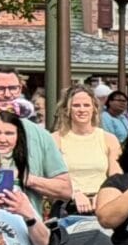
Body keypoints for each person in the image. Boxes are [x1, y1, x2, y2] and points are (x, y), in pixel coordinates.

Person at [50, 84, 120, 213]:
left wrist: (104, 195)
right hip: (67, 206)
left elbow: (116, 177)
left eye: (86, 105)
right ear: (67, 109)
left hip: (102, 205)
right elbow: (52, 178)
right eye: (76, 105)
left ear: (94, 108)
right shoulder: (54, 139)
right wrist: (73, 193)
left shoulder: (109, 139)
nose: (82, 110)